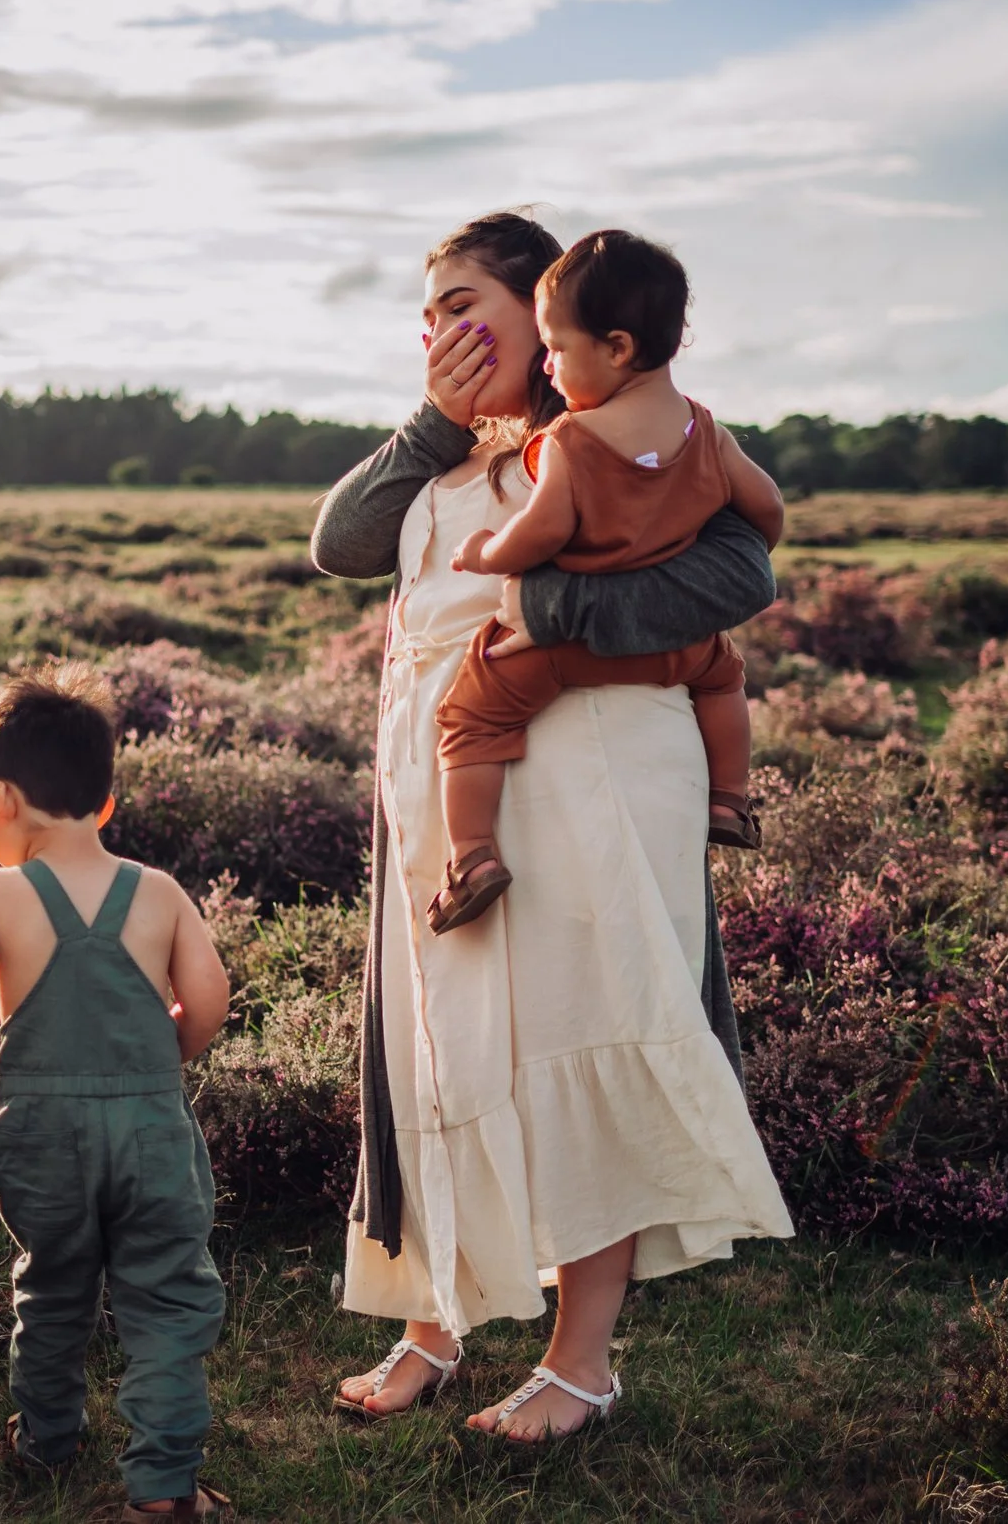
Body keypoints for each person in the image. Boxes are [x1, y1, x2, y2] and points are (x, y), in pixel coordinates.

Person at [312, 214, 791, 1443]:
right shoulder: (437, 455)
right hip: (452, 772)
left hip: (587, 764)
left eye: (467, 303)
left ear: (547, 317)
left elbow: (741, 572)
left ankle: (581, 1361)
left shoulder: (617, 435)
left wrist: (554, 610)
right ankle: (437, 1315)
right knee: (446, 1046)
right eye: (429, 311)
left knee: (585, 1029)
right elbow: (340, 545)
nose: (441, 330)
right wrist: (430, 422)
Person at [0, 665, 236, 1521]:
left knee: (54, 1284)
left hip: (42, 1135)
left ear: (2, 802)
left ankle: (45, 1439)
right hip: (148, 1126)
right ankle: (165, 1485)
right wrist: (162, 1054)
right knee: (168, 1298)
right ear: (106, 804)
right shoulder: (160, 892)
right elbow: (209, 1000)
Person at [427, 228, 784, 934]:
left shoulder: (572, 440)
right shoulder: (706, 431)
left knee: (468, 718)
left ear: (617, 347)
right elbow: (766, 507)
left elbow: (547, 530)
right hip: (683, 649)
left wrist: (492, 553)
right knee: (724, 681)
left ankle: (470, 858)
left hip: (560, 651)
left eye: (556, 348)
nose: (550, 365)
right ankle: (731, 800)